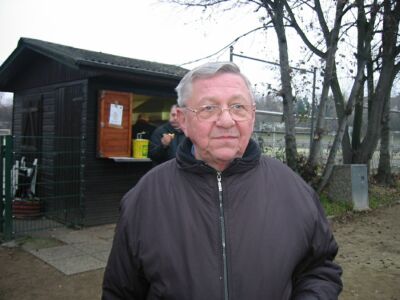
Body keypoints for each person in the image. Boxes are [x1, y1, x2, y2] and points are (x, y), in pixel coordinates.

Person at [102, 62, 343, 299]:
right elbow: (120, 291)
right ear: (184, 121)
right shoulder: (146, 196)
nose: (226, 120)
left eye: (238, 106)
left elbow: (319, 269)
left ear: (252, 116)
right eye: (209, 108)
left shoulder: (293, 189)